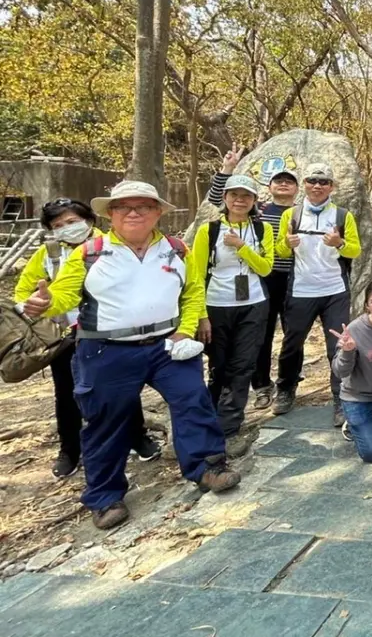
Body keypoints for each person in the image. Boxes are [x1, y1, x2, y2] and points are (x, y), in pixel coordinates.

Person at [22, 181, 240, 530]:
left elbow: (193, 290)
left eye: (144, 206)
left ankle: (207, 467)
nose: (134, 212)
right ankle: (105, 496)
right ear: (110, 214)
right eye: (124, 206)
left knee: (193, 400)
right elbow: (64, 294)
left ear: (158, 212)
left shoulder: (176, 249)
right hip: (105, 349)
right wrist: (47, 303)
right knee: (107, 420)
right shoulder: (90, 252)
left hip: (167, 345)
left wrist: (186, 328)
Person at [14, 198, 160, 479]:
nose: (67, 229)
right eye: (58, 226)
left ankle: (136, 437)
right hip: (68, 337)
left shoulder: (114, 244)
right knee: (67, 393)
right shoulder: (48, 254)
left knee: (124, 388)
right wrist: (34, 303)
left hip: (114, 332)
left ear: (89, 220)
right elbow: (22, 291)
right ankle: (70, 449)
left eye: (72, 222)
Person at [206, 145, 297, 410]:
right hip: (261, 279)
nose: (283, 184)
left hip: (294, 279)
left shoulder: (302, 212)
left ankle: (286, 385)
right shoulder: (258, 212)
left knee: (293, 335)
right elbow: (216, 201)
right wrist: (227, 170)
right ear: (268, 186)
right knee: (262, 335)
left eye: (289, 181)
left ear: (296, 188)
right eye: (278, 180)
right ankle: (261, 386)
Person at [191, 175, 275, 454]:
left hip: (254, 303)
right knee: (219, 364)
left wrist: (242, 247)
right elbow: (197, 275)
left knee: (244, 363)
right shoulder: (209, 230)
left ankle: (229, 424)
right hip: (217, 304)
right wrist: (200, 315)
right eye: (234, 195)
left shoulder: (262, 229)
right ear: (225, 198)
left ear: (254, 201)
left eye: (246, 196)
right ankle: (211, 415)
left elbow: (265, 269)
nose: (240, 201)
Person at [273, 164, 363, 424]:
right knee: (292, 344)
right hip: (301, 289)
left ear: (331, 187)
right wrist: (286, 244)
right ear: (304, 184)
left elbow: (354, 251)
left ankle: (340, 397)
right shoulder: (291, 215)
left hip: (335, 290)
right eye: (312, 180)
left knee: (336, 345)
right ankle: (286, 389)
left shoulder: (342, 215)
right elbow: (281, 251)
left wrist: (340, 243)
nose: (317, 186)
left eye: (324, 182)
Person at [329, 281, 372, 463]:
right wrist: (348, 351)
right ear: (367, 305)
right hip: (360, 398)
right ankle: (353, 424)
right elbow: (339, 371)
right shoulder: (354, 330)